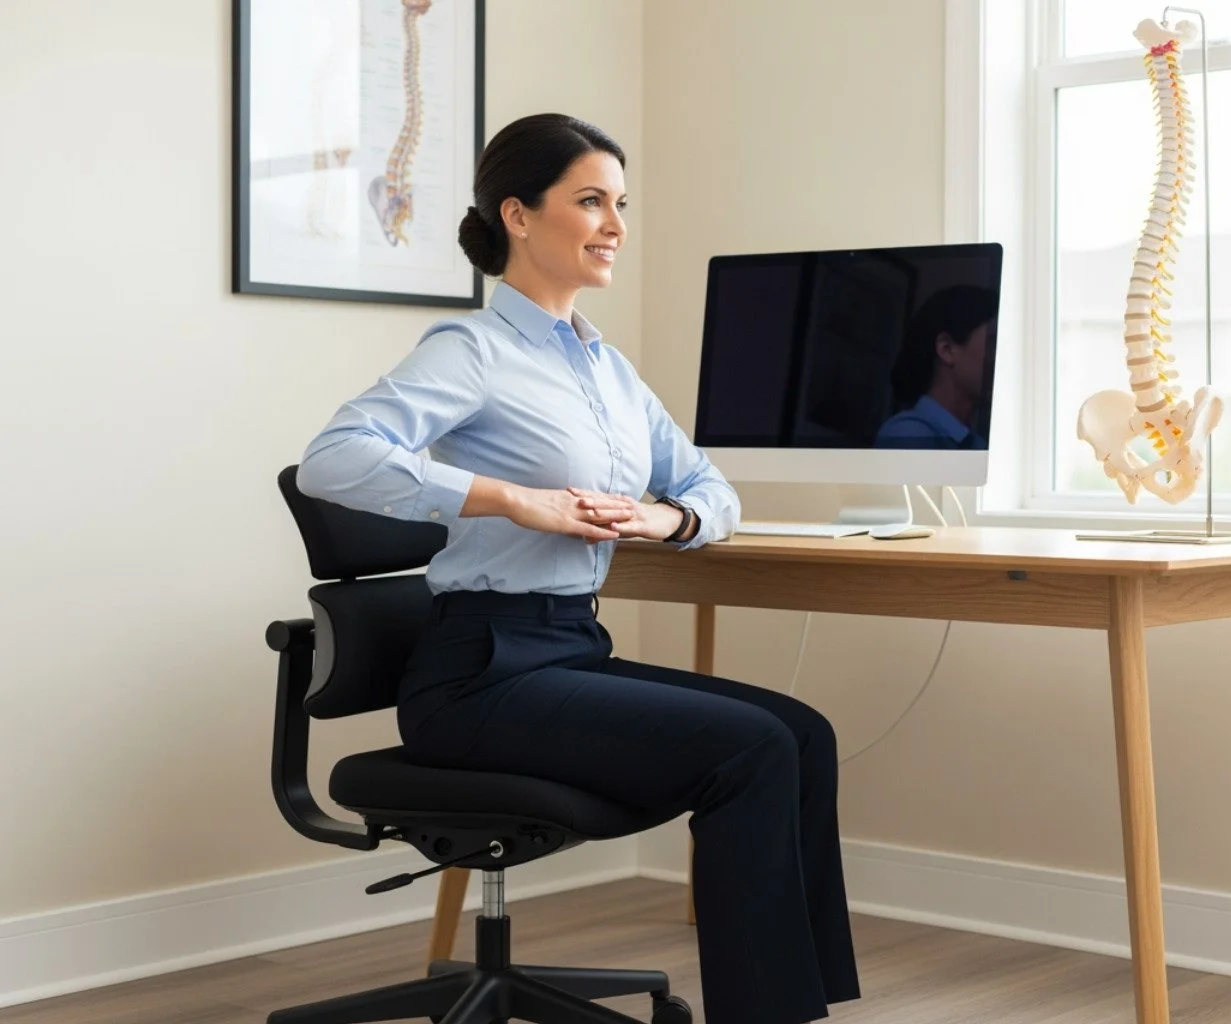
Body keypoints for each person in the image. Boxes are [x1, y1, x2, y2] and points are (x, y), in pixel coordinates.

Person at [296, 113, 860, 1024]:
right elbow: (333, 460)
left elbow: (711, 486)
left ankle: (797, 1006)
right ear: (519, 215)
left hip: (569, 648)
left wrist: (667, 517)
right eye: (591, 201)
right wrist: (509, 499)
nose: (616, 225)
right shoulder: (472, 351)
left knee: (802, 733)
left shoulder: (610, 371)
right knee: (750, 749)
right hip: (478, 675)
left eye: (621, 203)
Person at [873, 285, 998, 450]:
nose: (1000, 356)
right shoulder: (909, 434)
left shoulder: (976, 443)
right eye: (993, 342)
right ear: (947, 349)